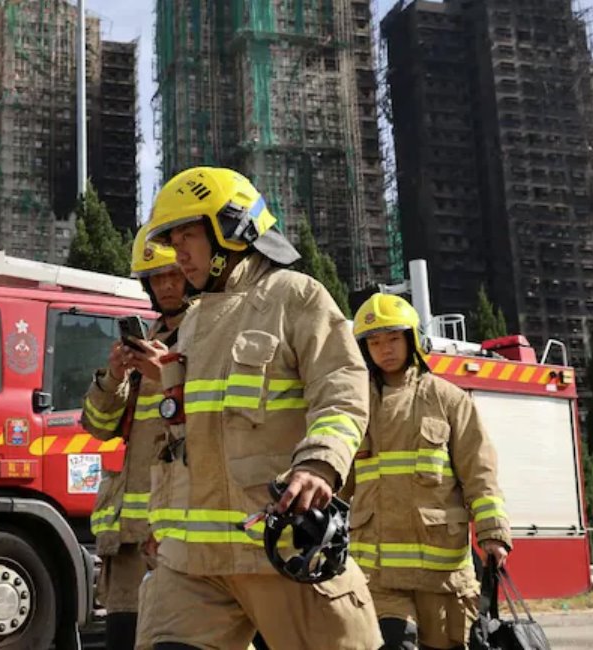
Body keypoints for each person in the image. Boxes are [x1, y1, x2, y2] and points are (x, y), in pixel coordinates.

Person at [133, 166, 382, 649]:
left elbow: (342, 386)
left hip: (281, 545)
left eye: (188, 235)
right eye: (174, 238)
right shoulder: (193, 322)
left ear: (232, 229)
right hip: (192, 564)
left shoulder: (295, 295)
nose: (177, 252)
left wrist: (318, 463)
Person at [346, 293, 512, 650]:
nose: (384, 349)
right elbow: (337, 480)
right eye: (374, 342)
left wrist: (493, 534)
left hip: (441, 572)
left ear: (412, 339)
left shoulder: (449, 400)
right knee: (393, 643)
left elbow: (479, 474)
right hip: (376, 573)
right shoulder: (355, 407)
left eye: (392, 339)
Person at [82, 229, 193, 650]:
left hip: (181, 529)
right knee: (123, 638)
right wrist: (114, 374)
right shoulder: (147, 341)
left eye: (173, 274)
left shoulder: (205, 336)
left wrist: (166, 374)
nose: (166, 285)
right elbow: (96, 424)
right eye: (155, 278)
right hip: (130, 535)